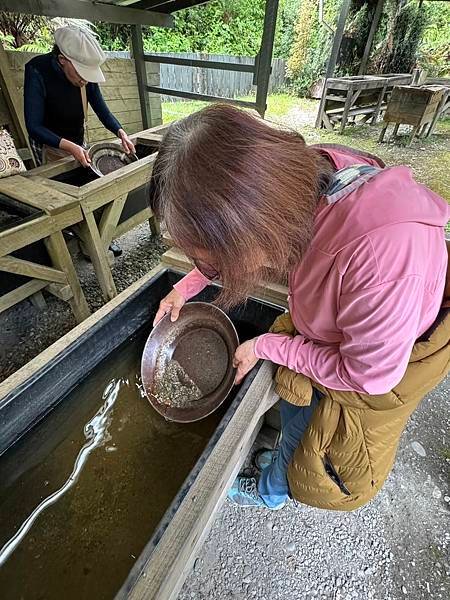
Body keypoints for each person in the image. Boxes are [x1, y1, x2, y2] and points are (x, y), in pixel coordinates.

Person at [149, 104, 450, 511]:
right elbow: (232, 245)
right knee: (295, 404)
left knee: (307, 440)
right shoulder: (302, 175)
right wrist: (188, 285)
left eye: (215, 258)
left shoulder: (380, 259)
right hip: (332, 327)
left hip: (373, 367)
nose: (213, 268)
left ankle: (270, 491)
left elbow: (367, 377)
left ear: (255, 226)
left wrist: (267, 346)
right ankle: (279, 464)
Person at [24, 26, 135, 166]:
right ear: (62, 59)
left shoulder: (85, 77)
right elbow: (34, 126)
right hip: (48, 144)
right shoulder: (37, 70)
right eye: (81, 74)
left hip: (77, 141)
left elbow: (103, 111)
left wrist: (121, 133)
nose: (85, 81)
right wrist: (70, 147)